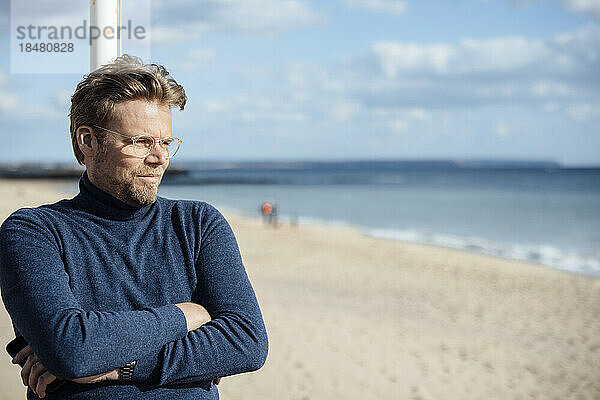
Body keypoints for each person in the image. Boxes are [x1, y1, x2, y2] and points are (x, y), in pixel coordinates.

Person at [0, 55, 268, 399]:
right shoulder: (34, 232)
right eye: (141, 142)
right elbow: (72, 349)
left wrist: (118, 365)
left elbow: (246, 342)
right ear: (88, 141)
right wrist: (185, 315)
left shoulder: (198, 224)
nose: (158, 158)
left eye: (166, 143)